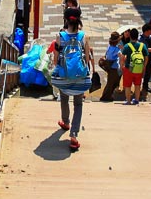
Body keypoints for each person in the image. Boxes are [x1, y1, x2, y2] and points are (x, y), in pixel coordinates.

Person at [49, 8, 93, 151]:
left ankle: (66, 122)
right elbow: (86, 59)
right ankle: (74, 135)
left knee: (64, 98)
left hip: (64, 77)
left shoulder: (60, 36)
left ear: (65, 19)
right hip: (79, 77)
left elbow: (55, 60)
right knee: (78, 104)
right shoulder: (84, 37)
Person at [121, 28, 148, 105]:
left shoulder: (127, 46)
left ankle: (128, 100)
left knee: (127, 85)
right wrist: (144, 66)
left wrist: (122, 66)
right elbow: (146, 57)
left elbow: (122, 57)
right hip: (139, 68)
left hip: (128, 68)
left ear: (130, 36)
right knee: (137, 84)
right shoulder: (142, 46)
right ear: (137, 36)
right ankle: (136, 100)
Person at [99, 31, 122, 102]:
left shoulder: (109, 47)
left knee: (110, 82)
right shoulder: (117, 50)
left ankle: (109, 96)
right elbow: (121, 57)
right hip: (114, 68)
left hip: (108, 66)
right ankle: (105, 97)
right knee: (111, 83)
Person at [139, 22, 151, 101]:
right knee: (142, 73)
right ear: (146, 31)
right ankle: (139, 87)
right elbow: (143, 49)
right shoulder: (141, 39)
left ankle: (146, 86)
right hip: (143, 58)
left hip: (150, 57)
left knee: (148, 73)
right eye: (150, 30)